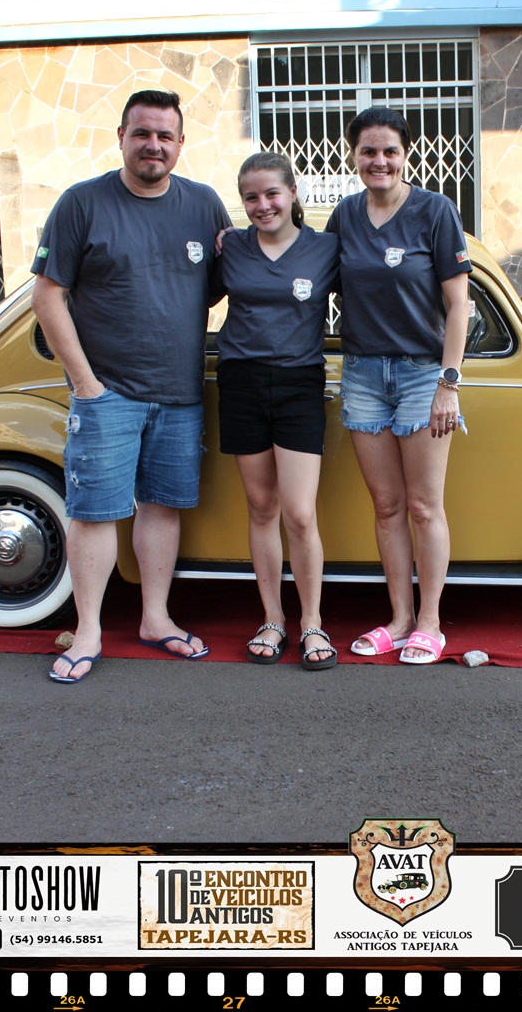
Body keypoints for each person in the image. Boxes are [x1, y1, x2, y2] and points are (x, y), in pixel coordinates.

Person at [31, 89, 231, 682]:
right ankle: (89, 631)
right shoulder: (83, 203)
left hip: (180, 394)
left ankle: (155, 618)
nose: (153, 145)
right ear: (121, 137)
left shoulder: (203, 205)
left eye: (165, 135)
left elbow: (225, 281)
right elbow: (48, 296)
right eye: (142, 133)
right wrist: (85, 383)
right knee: (95, 513)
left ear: (180, 143)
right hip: (107, 393)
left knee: (162, 508)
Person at [325, 107, 472, 665]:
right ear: (353, 156)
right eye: (368, 151)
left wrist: (448, 383)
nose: (379, 160)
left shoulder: (435, 211)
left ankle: (431, 622)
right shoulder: (345, 215)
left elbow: (458, 305)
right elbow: (309, 273)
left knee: (423, 506)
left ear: (406, 154)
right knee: (386, 506)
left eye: (389, 150)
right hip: (363, 373)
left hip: (422, 374)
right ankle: (399, 619)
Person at [217, 153, 343, 669]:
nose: (262, 205)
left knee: (300, 512)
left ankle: (312, 622)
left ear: (293, 193)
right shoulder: (231, 247)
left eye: (272, 193)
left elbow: (379, 289)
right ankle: (272, 618)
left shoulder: (326, 248)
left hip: (298, 384)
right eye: (251, 197)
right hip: (241, 382)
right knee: (261, 507)